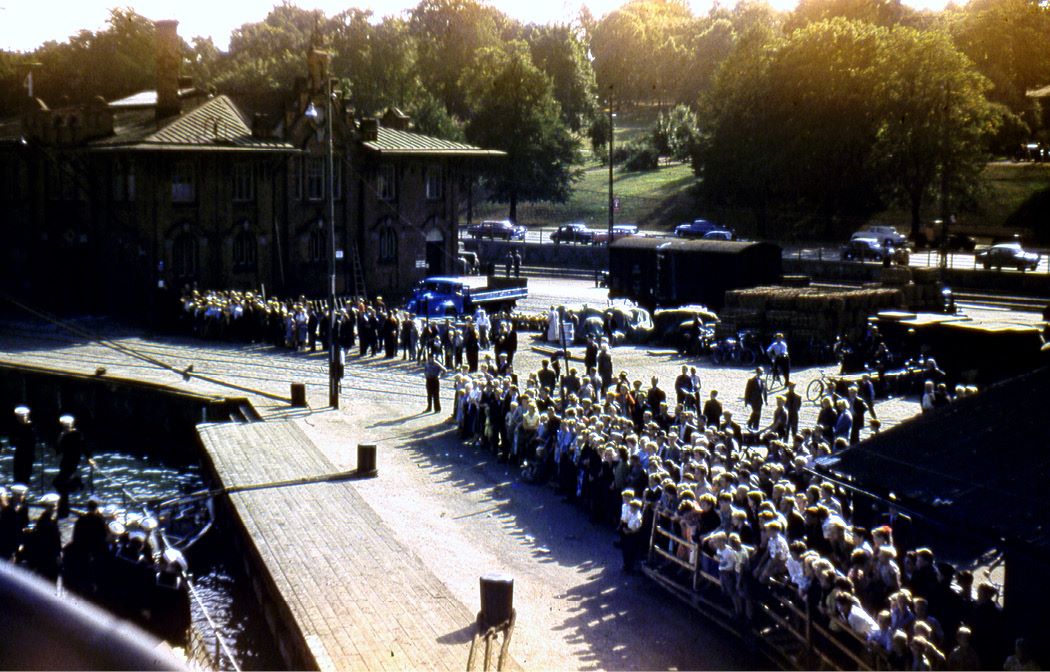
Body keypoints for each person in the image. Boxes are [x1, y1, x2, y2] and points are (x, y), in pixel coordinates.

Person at [54, 414, 86, 519]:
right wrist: (60, 438)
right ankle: (63, 509)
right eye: (64, 426)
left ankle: (76, 482)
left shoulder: (76, 434)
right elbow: (58, 450)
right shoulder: (63, 435)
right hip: (65, 462)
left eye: (67, 426)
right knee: (61, 486)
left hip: (72, 462)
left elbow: (82, 446)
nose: (66, 428)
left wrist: (88, 457)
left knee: (61, 485)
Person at [11, 405, 36, 485]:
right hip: (19, 455)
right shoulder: (18, 427)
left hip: (27, 456)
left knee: (24, 477)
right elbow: (12, 442)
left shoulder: (30, 428)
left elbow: (31, 443)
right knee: (18, 477)